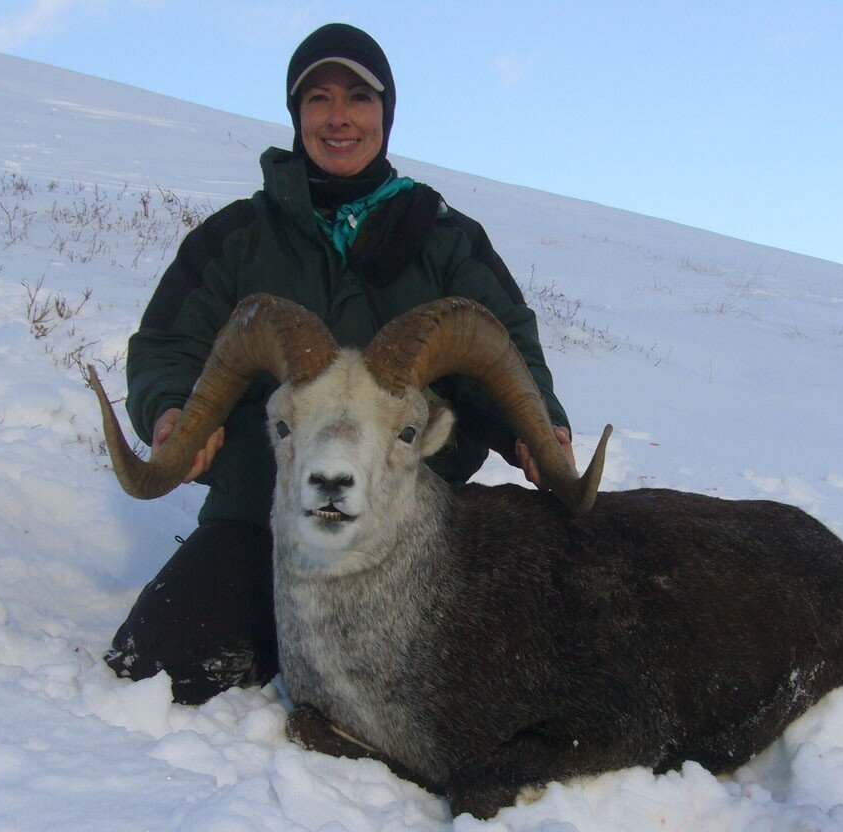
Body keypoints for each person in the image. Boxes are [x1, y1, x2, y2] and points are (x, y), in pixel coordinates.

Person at [105, 23, 575, 705]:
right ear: (297, 116)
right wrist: (173, 408)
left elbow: (509, 352)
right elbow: (169, 343)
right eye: (317, 98)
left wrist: (537, 429)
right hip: (262, 508)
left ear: (386, 113)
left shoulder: (446, 241)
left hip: (409, 525)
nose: (338, 117)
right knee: (152, 669)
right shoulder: (238, 236)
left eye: (359, 97)